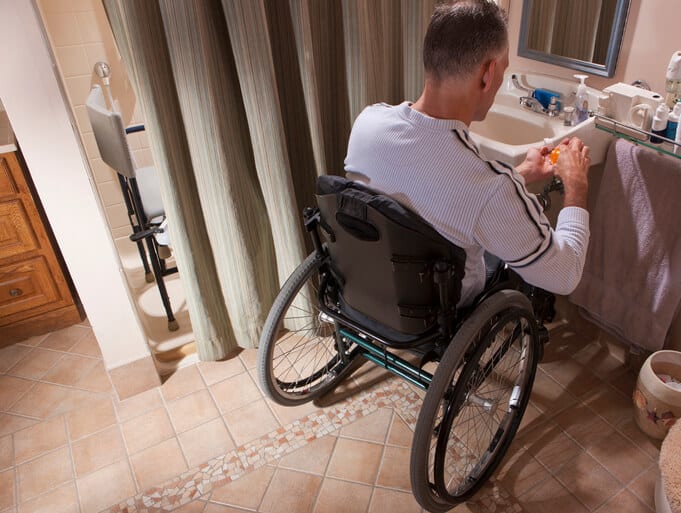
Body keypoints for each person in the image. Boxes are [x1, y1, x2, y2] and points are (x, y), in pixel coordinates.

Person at [344, 0, 591, 306]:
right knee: (508, 265)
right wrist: (576, 185)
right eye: (504, 70)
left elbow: (438, 189)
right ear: (488, 73)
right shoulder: (489, 186)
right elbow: (564, 276)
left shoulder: (368, 121)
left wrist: (522, 174)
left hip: (369, 282)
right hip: (439, 306)